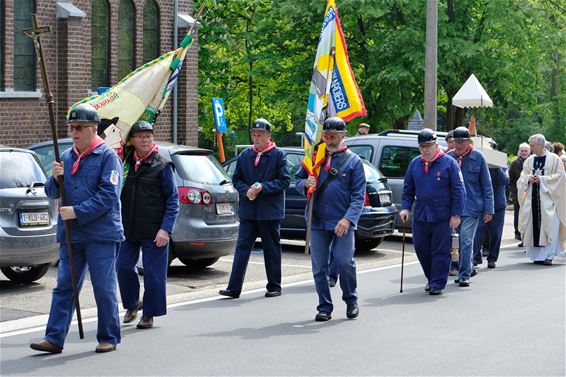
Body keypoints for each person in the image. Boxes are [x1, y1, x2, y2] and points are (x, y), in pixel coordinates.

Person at [30, 103, 124, 354]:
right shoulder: (67, 156)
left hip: (101, 234)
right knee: (64, 286)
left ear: (94, 129)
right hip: (72, 234)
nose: (74, 132)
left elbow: (108, 197)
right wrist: (55, 177)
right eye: (72, 127)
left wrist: (77, 211)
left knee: (103, 287)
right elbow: (51, 192)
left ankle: (109, 336)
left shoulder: (108, 157)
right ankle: (54, 338)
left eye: (79, 128)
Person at [295, 117, 365, 321]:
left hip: (342, 221)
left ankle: (351, 299)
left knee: (344, 262)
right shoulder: (313, 157)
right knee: (319, 267)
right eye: (327, 135)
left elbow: (359, 195)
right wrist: (304, 184)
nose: (330, 139)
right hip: (317, 220)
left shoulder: (354, 161)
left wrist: (348, 219)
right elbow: (298, 180)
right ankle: (324, 306)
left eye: (334, 136)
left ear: (343, 136)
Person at [116, 121, 179, 329]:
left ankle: (149, 313)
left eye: (148, 136)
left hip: (155, 230)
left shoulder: (162, 165)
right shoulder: (123, 164)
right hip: (128, 228)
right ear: (132, 140)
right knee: (123, 266)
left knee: (153, 274)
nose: (145, 139)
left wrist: (165, 229)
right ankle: (133, 304)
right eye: (140, 136)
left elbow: (173, 200)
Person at [219, 118, 290, 298]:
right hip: (249, 211)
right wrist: (246, 191)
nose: (256, 138)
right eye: (254, 135)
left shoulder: (278, 155)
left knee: (271, 249)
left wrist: (263, 187)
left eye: (260, 135)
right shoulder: (245, 155)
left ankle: (274, 286)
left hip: (270, 212)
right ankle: (234, 288)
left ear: (268, 136)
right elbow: (236, 179)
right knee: (242, 248)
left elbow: (284, 180)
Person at [399, 129, 465, 295]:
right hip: (421, 214)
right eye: (422, 146)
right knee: (421, 249)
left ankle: (437, 283)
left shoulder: (449, 163)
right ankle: (431, 277)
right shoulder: (415, 164)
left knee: (440, 250)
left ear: (436, 145)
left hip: (442, 215)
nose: (425, 150)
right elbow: (408, 188)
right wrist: (406, 207)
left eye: (429, 146)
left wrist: (456, 214)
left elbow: (459, 190)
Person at [447, 126, 494, 287]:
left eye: (462, 142)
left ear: (468, 142)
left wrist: (489, 209)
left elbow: (486, 185)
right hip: (453, 208)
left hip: (472, 207)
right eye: (456, 141)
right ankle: (465, 267)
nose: (458, 145)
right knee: (455, 242)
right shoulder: (449, 157)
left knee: (466, 240)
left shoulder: (478, 157)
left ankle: (464, 274)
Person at [517, 134, 566, 265]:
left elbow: (561, 177)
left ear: (541, 145)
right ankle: (537, 256)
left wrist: (543, 180)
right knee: (532, 226)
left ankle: (548, 256)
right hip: (531, 199)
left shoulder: (554, 159)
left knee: (549, 226)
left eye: (532, 146)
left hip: (549, 200)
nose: (531, 148)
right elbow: (522, 177)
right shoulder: (529, 160)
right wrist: (528, 179)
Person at [472, 167, 509, 268]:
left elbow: (505, 181)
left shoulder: (502, 167)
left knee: (496, 233)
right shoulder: (479, 165)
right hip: (481, 204)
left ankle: (492, 258)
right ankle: (476, 256)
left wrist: (498, 169)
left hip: (498, 205)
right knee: (478, 231)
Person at [508, 143, 530, 244]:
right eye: (522, 151)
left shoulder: (532, 162)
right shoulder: (514, 164)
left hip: (530, 192)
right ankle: (517, 232)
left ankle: (527, 233)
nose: (524, 153)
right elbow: (511, 180)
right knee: (518, 213)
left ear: (529, 152)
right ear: (519, 151)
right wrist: (514, 192)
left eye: (526, 151)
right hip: (518, 192)